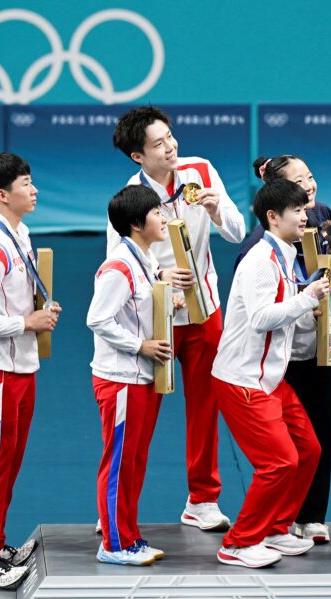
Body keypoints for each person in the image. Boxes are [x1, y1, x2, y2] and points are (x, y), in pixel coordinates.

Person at [109, 106, 246, 531]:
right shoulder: (129, 198)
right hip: (156, 318)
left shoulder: (201, 171)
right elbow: (115, 262)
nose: (170, 147)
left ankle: (202, 500)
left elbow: (238, 232)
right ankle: (118, 506)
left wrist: (217, 208)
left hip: (205, 311)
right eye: (158, 144)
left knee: (206, 407)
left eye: (170, 137)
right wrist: (159, 274)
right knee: (140, 414)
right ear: (138, 156)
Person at [211, 179, 329, 568]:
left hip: (271, 380)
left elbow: (283, 310)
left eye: (303, 208)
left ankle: (277, 528)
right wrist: (306, 298)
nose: (304, 214)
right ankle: (239, 542)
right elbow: (262, 319)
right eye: (295, 210)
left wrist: (303, 301)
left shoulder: (286, 254)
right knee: (278, 463)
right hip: (243, 380)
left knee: (309, 450)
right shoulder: (260, 260)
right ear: (272, 217)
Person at [234, 155, 331, 545]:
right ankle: (274, 522)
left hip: (323, 348)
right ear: (276, 206)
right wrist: (306, 296)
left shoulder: (325, 216)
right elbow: (260, 313)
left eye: (312, 177)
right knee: (283, 448)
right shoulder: (256, 252)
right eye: (299, 185)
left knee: (324, 435)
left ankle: (311, 516)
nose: (310, 188)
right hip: (283, 359)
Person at [0, 152, 62, 589]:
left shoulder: (20, 233)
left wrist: (39, 308)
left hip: (22, 366)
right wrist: (27, 322)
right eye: (25, 183)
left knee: (11, 461)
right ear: (3, 195)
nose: (34, 189)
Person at [87, 185, 184, 565]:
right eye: (157, 213)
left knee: (135, 460)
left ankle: (129, 536)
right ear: (135, 223)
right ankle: (112, 543)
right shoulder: (119, 266)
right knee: (118, 462)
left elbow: (139, 311)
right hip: (121, 378)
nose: (163, 218)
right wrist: (139, 346)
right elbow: (97, 318)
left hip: (144, 377)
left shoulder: (145, 260)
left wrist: (169, 304)